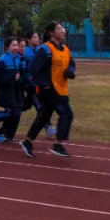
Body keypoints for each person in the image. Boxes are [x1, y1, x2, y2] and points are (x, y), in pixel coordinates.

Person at [21, 22, 76, 158]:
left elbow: (72, 63)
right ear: (51, 33)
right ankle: (58, 144)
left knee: (44, 115)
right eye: (58, 29)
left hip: (62, 88)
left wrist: (70, 71)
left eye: (63, 28)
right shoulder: (45, 49)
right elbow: (33, 68)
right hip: (49, 89)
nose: (62, 31)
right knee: (66, 114)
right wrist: (44, 83)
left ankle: (28, 142)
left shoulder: (65, 49)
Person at [0, 37, 24, 141]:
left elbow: (20, 73)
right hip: (6, 91)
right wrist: (11, 77)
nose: (16, 47)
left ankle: (7, 134)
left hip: (16, 90)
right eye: (13, 45)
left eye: (17, 45)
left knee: (17, 112)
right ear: (7, 47)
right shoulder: (3, 59)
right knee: (13, 112)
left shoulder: (18, 58)